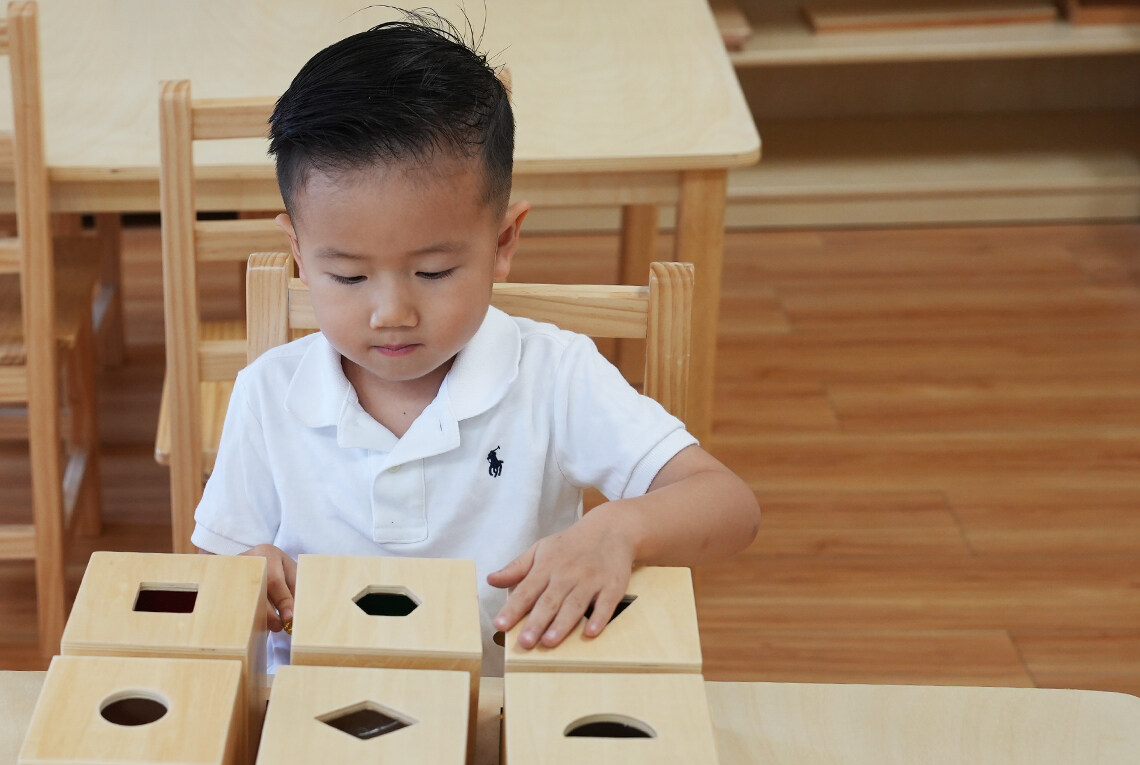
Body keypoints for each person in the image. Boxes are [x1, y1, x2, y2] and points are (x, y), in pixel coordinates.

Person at [191, 14, 760, 667]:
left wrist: (619, 529)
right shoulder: (270, 391)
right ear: (297, 250)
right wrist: (244, 572)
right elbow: (215, 564)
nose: (391, 312)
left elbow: (730, 506)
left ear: (502, 243)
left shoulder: (555, 376)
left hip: (504, 718)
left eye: (433, 273)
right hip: (312, 715)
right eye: (347, 275)